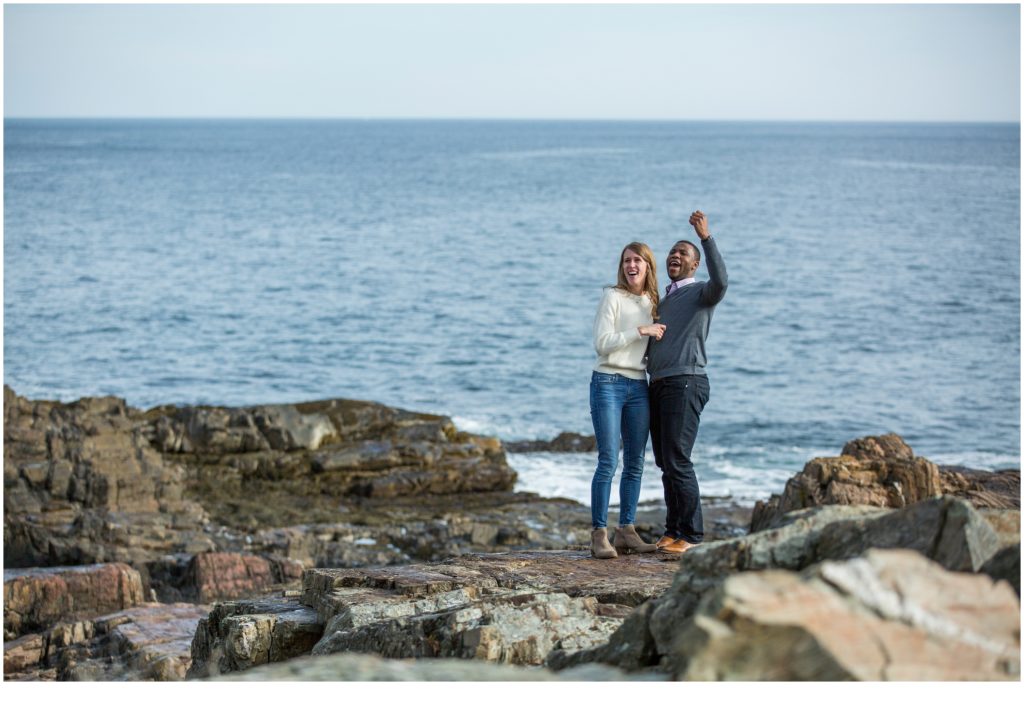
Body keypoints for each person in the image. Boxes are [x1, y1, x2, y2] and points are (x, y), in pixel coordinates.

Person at [646, 210, 728, 555]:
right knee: (666, 462)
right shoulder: (663, 300)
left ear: (695, 265)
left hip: (686, 381)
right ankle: (673, 529)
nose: (674, 256)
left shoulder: (700, 293)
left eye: (683, 253)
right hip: (660, 383)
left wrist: (705, 238)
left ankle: (692, 535)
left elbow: (722, 281)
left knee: (678, 459)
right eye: (673, 252)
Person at [588, 242, 666, 559]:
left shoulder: (655, 301)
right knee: (609, 460)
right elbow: (602, 344)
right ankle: (598, 534)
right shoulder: (613, 296)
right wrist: (640, 330)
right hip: (607, 381)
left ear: (648, 265)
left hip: (639, 385)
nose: (631, 265)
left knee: (635, 462)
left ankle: (627, 531)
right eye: (626, 261)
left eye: (637, 260)